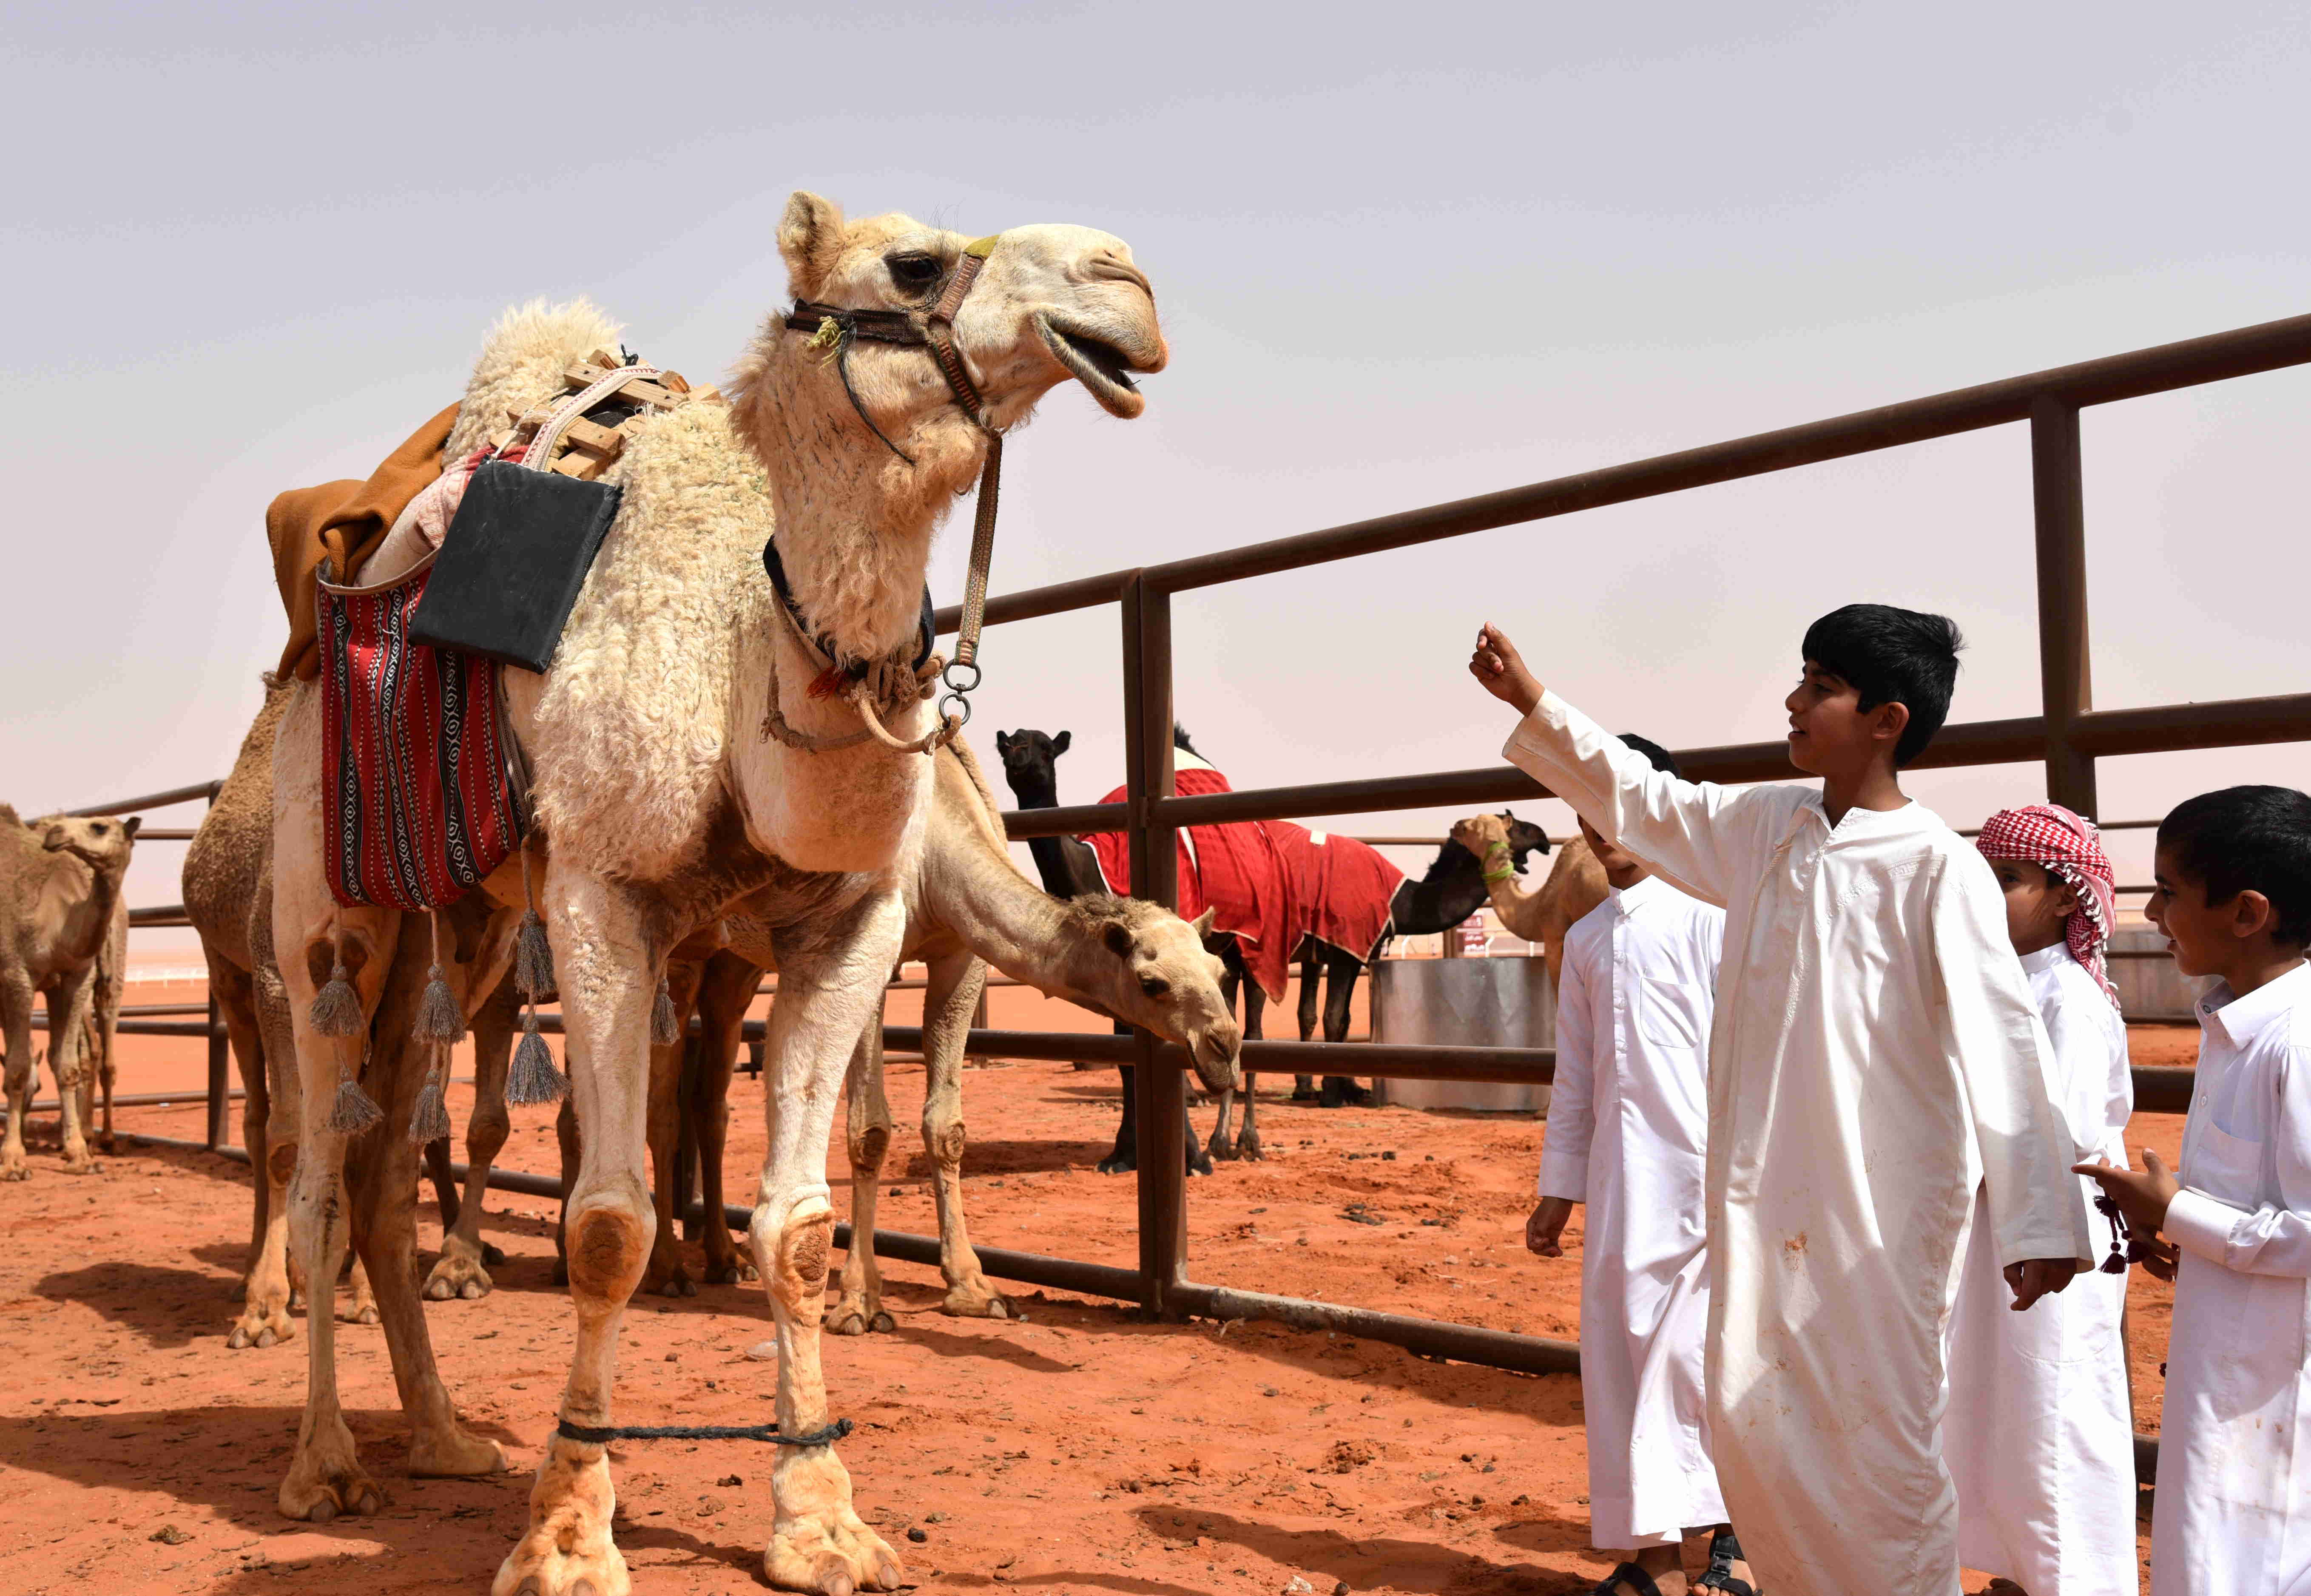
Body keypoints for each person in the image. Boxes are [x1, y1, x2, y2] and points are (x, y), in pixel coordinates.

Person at [1469, 603, 2091, 1596]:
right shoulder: (1766, 825)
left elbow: (2005, 1043)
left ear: (1886, 719)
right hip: (1761, 1200)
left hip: (1880, 1210)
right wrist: (1536, 703)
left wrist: (2040, 1215)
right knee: (1759, 1423)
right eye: (1800, 677)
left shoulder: (1937, 866)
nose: (1795, 701)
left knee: (1880, 1433)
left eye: (1820, 684)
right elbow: (1645, 798)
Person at [1527, 733, 1754, 1596]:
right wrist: (1561, 1186)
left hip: (1716, 1183)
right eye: (1588, 810)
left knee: (1708, 1359)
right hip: (1626, 1191)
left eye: (1621, 806)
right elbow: (1576, 1073)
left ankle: (1738, 1542)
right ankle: (1653, 1557)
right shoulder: (1587, 938)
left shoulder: (1714, 915)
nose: (1603, 828)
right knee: (1621, 1353)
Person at [2077, 785, 2311, 1596]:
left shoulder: (2297, 1039)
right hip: (2231, 1363)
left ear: (2247, 912)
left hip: (2277, 1385)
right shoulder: (2232, 1023)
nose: (2153, 909)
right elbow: (2253, 1208)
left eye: (2170, 890)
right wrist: (2179, 1230)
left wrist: (2176, 1208)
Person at [1942, 805, 2138, 1596]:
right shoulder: (1999, 983)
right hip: (1999, 1223)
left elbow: (2069, 1134)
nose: (1991, 894)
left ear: (2067, 897)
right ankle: (2022, 1575)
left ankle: (2071, 1579)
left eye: (2010, 879)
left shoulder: (2070, 999)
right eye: (1983, 876)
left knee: (2053, 1409)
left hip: (2057, 1230)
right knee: (2001, 1404)